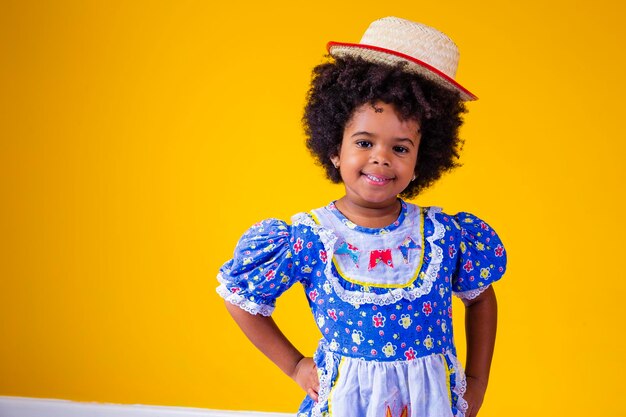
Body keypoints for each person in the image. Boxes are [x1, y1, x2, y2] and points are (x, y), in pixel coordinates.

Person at [216, 16, 507, 417]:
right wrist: (296, 365)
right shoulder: (311, 237)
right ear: (334, 148)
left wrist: (476, 382)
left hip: (432, 404)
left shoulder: (444, 235)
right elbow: (241, 298)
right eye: (364, 141)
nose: (381, 158)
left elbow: (481, 299)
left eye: (401, 148)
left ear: (423, 160)